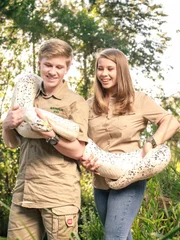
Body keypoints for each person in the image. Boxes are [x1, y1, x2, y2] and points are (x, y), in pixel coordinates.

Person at [80, 48, 180, 240]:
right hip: (100, 180)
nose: (104, 74)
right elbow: (79, 139)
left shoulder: (139, 100)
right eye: (100, 68)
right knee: (122, 236)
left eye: (110, 68)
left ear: (122, 71)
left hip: (130, 177)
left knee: (113, 236)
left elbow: (172, 122)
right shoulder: (88, 105)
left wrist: (151, 142)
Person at [2, 38, 89, 240]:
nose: (52, 71)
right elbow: (13, 144)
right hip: (24, 193)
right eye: (48, 65)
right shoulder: (28, 96)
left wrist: (50, 135)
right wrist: (7, 126)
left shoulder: (76, 102)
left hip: (58, 196)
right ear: (39, 63)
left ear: (67, 68)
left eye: (59, 66)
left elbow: (78, 151)